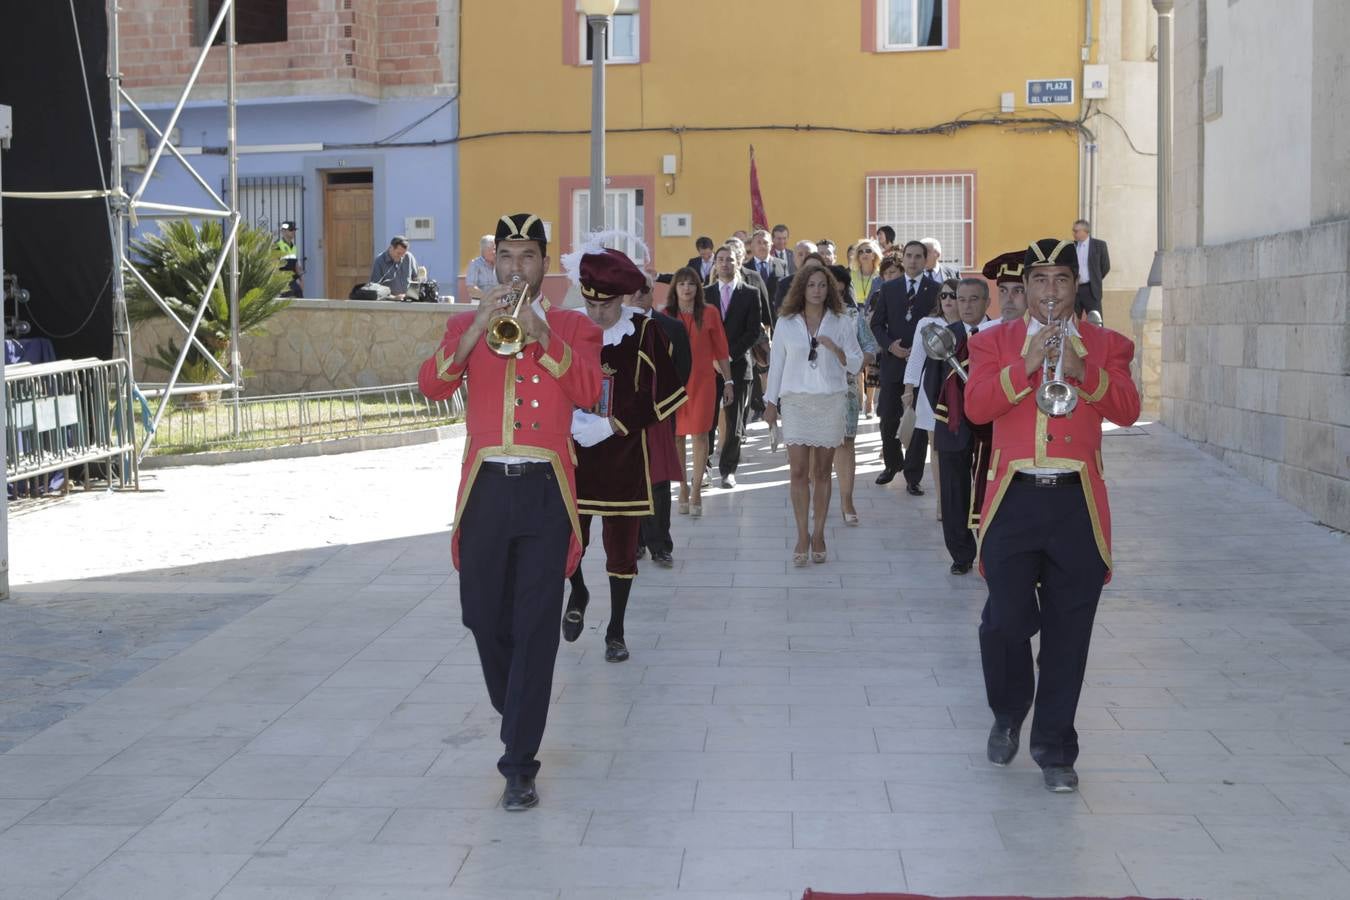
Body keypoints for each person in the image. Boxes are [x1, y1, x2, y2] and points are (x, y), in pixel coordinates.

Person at [417, 212, 603, 812]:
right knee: (480, 615)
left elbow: (588, 391)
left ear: (544, 264)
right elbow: (430, 386)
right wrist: (474, 331)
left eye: (527, 257)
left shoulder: (572, 326)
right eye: (507, 257)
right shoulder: (465, 323)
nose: (515, 268)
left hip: (547, 489)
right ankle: (519, 702)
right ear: (492, 263)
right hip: (487, 490)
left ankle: (519, 764)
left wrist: (542, 335)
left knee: (536, 628)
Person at [966, 237, 1140, 794]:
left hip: (1077, 502)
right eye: (1038, 281)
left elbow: (1129, 411)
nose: (1048, 292)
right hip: (1013, 497)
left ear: (1074, 286)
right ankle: (1009, 708)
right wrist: (1028, 365)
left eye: (1060, 281)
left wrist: (1081, 371)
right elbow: (976, 407)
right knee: (1006, 621)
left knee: (1070, 634)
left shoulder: (1107, 344)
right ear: (1024, 287)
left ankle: (1056, 750)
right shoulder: (994, 342)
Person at [562, 247, 686, 664]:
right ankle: (577, 589)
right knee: (568, 536)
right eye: (591, 303)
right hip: (573, 454)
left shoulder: (646, 333)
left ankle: (615, 629)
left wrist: (612, 424)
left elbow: (666, 395)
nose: (597, 313)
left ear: (623, 299)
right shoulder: (567, 328)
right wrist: (566, 419)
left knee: (621, 547)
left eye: (607, 304)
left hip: (624, 455)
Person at [763, 265, 862, 564]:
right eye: (811, 285)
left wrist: (836, 350)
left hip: (830, 401)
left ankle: (818, 533)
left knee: (821, 472)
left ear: (829, 289)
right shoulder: (786, 322)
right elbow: (777, 363)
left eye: (822, 285)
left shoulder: (841, 321)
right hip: (795, 402)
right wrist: (770, 403)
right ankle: (801, 535)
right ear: (801, 290)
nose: (817, 290)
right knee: (797, 471)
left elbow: (856, 363)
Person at [917, 277, 993, 575]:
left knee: (989, 490)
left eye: (974, 299)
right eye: (961, 299)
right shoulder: (944, 336)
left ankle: (990, 552)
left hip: (990, 428)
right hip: (953, 425)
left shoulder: (999, 334)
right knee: (953, 492)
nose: (967, 305)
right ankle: (961, 554)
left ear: (987, 302)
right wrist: (947, 412)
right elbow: (931, 380)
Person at [871, 239, 938, 493]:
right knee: (888, 417)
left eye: (918, 256)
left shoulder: (935, 289)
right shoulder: (889, 289)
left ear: (925, 259)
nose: (912, 261)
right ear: (903, 259)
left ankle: (913, 475)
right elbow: (876, 324)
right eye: (908, 256)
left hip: (922, 365)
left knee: (919, 420)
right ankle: (892, 464)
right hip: (893, 363)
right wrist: (890, 346)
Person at [633, 278, 691, 568]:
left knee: (658, 480)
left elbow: (683, 370)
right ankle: (633, 543)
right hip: (624, 417)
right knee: (628, 478)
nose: (637, 295)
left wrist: (663, 405)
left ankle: (660, 545)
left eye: (642, 289)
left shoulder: (672, 328)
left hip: (658, 414)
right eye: (631, 290)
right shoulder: (615, 328)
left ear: (651, 292)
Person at [667, 266, 733, 516]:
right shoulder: (665, 314)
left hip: (704, 382)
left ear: (698, 287)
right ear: (675, 287)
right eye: (682, 283)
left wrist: (728, 382)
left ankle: (696, 490)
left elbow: (722, 350)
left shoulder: (710, 313)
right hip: (675, 384)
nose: (687, 288)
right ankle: (682, 487)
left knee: (701, 434)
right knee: (677, 437)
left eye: (691, 283)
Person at [707, 245, 769, 489]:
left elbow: (754, 331)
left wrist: (728, 355)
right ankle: (704, 468)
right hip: (710, 366)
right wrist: (714, 357)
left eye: (729, 260)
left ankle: (728, 470)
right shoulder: (706, 293)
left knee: (734, 422)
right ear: (715, 264)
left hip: (739, 363)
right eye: (720, 260)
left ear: (738, 263)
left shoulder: (750, 293)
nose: (725, 264)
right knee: (708, 419)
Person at [836, 268, 880, 525]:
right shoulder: (802, 317)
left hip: (846, 388)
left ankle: (846, 500)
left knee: (845, 443)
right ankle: (816, 498)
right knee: (815, 449)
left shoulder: (853, 315)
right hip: (811, 392)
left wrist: (860, 362)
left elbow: (871, 345)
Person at [862, 255, 902, 417]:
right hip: (883, 345)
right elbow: (871, 321)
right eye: (886, 274)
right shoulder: (879, 294)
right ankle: (871, 404)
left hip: (903, 345)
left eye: (893, 272)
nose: (890, 276)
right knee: (884, 388)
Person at [1071, 219, 1111, 325]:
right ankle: (1073, 341)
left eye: (1076, 231)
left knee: (1096, 321)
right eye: (1073, 231)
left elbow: (1105, 266)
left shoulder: (1099, 245)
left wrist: (1095, 278)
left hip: (1091, 289)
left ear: (1085, 231)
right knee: (1072, 320)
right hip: (1075, 290)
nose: (1074, 234)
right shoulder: (1071, 246)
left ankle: (1098, 341)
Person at [983, 250, 1029, 323]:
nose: (1008, 299)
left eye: (1018, 291)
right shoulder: (982, 331)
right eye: (1003, 290)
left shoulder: (1045, 332)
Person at [465, 234, 499, 299]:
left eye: (496, 249)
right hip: (480, 303)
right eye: (493, 249)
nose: (495, 252)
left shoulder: (499, 264)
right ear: (485, 250)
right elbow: (471, 289)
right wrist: (489, 298)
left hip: (498, 303)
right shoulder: (475, 264)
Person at [276, 221, 303, 297]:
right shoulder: (277, 245)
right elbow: (273, 266)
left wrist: (301, 280)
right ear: (283, 231)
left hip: (293, 281)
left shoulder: (293, 247)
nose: (293, 231)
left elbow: (296, 264)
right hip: (283, 281)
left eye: (294, 230)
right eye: (291, 230)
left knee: (299, 299)